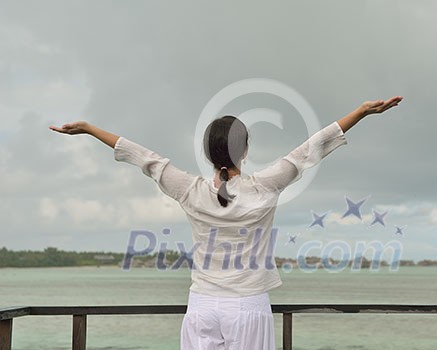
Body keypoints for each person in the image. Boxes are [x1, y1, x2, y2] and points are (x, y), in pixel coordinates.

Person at [49, 96, 402, 350]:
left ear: (208, 153)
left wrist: (90, 129)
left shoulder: (190, 189)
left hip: (201, 306)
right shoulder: (265, 185)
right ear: (245, 149)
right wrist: (360, 112)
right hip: (248, 307)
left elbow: (147, 160)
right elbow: (311, 149)